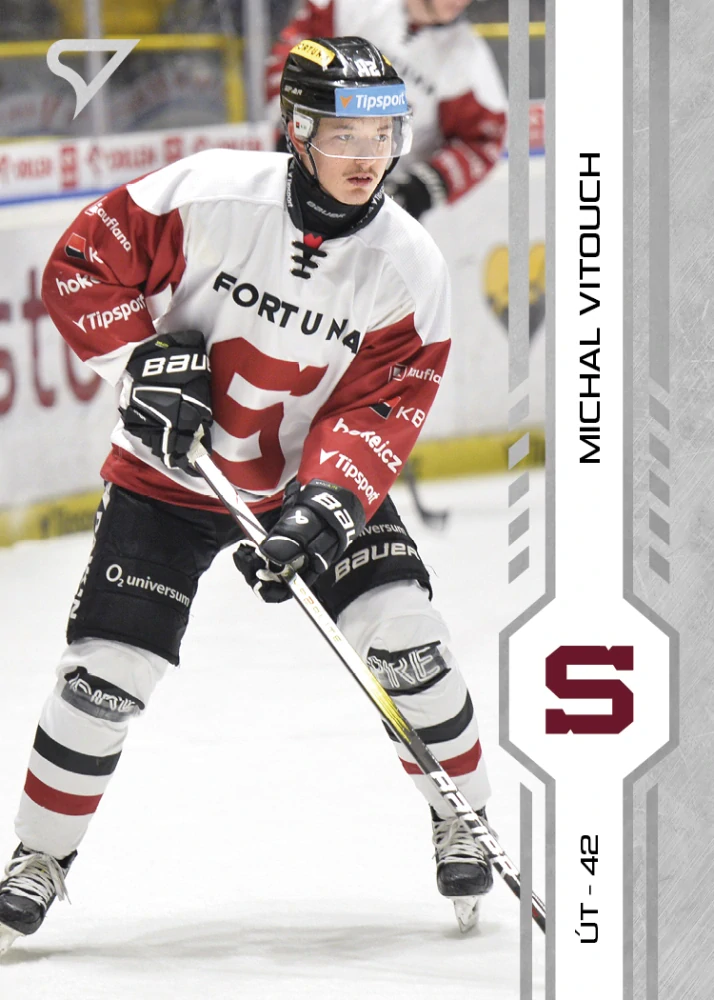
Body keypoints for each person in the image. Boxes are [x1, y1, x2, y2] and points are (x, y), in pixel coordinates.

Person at [0, 36, 493, 954]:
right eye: (344, 136)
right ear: (297, 131)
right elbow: (82, 268)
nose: (369, 158)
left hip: (307, 475)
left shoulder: (410, 265)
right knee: (104, 674)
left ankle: (462, 817)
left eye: (384, 135)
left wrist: (326, 504)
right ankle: (38, 856)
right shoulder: (209, 192)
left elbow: (383, 405)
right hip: (171, 471)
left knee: (406, 638)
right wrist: (140, 359)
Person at [266, 0, 508, 220]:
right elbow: (292, 56)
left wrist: (418, 189)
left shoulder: (470, 62)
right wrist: (290, 128)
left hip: (381, 204)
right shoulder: (352, 6)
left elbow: (482, 142)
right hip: (303, 173)